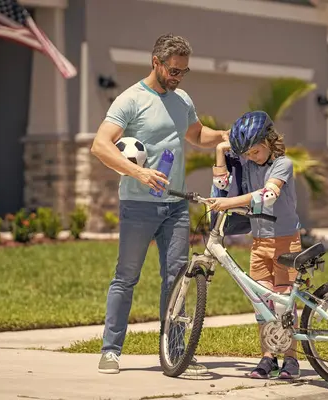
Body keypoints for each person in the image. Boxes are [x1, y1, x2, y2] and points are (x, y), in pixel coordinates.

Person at [90, 33, 229, 375]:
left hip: (177, 206)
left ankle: (176, 351)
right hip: (138, 204)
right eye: (174, 70)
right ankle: (110, 350)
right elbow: (100, 145)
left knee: (177, 279)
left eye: (184, 71)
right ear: (156, 63)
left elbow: (196, 135)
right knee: (126, 277)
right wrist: (138, 173)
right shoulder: (130, 100)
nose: (178, 76)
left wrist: (228, 135)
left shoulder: (182, 99)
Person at [208, 110, 302, 380]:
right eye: (246, 153)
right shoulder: (248, 163)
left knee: (284, 304)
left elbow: (268, 196)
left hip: (286, 241)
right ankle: (267, 357)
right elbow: (222, 185)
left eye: (255, 152)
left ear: (269, 141)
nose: (250, 157)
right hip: (259, 243)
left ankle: (291, 359)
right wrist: (220, 150)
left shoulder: (283, 164)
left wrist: (230, 203)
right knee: (263, 304)